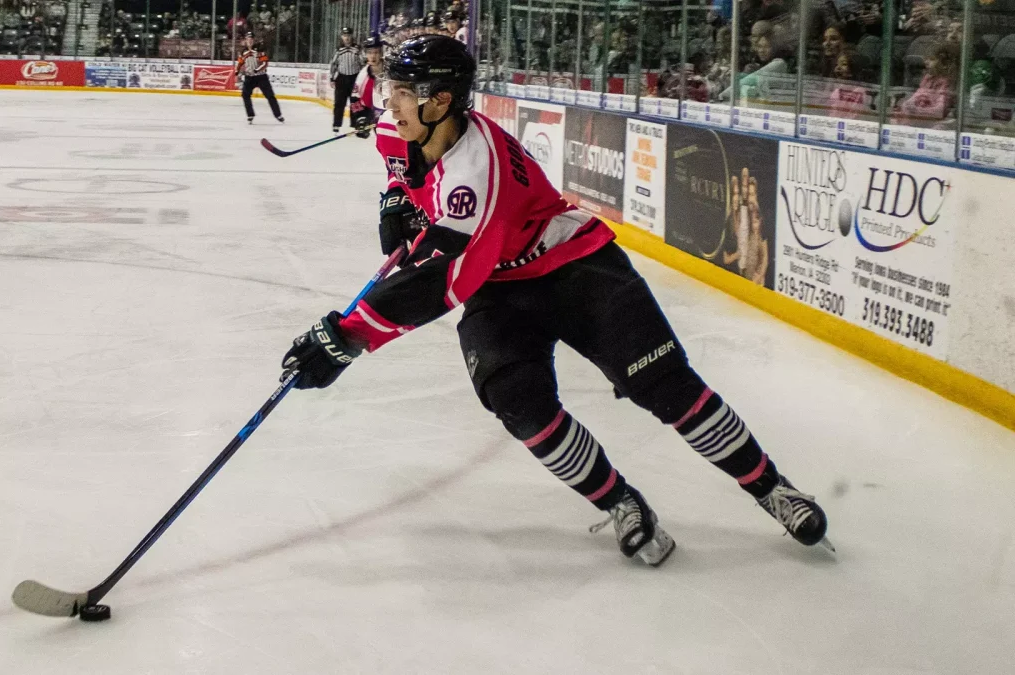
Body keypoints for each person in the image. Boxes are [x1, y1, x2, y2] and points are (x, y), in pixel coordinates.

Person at [279, 35, 831, 566]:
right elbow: (401, 172)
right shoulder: (395, 129)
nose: (387, 100)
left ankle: (771, 488)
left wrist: (350, 335)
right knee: (517, 401)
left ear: (440, 100)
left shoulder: (477, 171)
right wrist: (396, 200)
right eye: (390, 87)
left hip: (575, 269)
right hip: (502, 286)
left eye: (402, 90)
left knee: (666, 388)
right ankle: (620, 502)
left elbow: (445, 277)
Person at [235, 33, 283, 125]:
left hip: (261, 77)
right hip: (249, 78)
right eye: (248, 39)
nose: (250, 41)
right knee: (245, 95)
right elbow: (240, 63)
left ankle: (278, 115)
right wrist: (237, 71)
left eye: (251, 39)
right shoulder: (243, 51)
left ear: (254, 40)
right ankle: (250, 115)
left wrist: (257, 70)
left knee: (270, 96)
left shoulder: (260, 50)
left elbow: (265, 63)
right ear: (245, 40)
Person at [349, 35, 384, 138]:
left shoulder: (392, 70)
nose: (373, 56)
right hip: (377, 117)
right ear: (365, 54)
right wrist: (361, 118)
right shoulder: (363, 76)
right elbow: (355, 99)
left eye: (376, 52)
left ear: (381, 53)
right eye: (370, 52)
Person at [330, 27, 364, 133]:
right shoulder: (338, 50)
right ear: (341, 37)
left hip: (354, 78)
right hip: (341, 78)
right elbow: (333, 64)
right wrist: (332, 78)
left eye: (348, 36)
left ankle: (355, 124)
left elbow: (363, 63)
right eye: (345, 36)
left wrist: (362, 78)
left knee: (355, 103)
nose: (347, 38)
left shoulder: (357, 49)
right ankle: (336, 124)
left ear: (352, 36)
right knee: (339, 103)